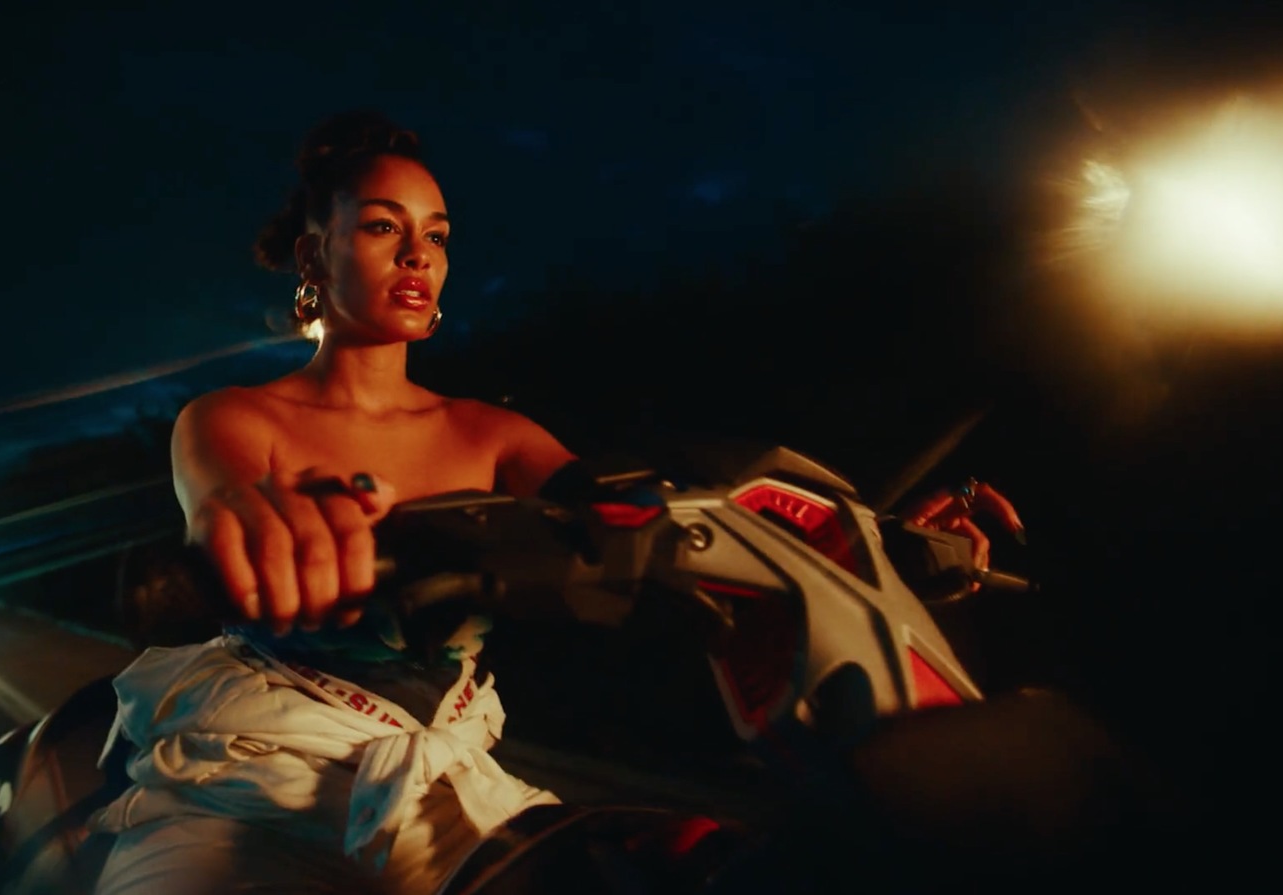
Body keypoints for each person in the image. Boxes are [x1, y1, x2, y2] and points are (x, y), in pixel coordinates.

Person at [91, 111, 1023, 895]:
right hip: (252, 758)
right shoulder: (232, 417)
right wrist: (267, 529)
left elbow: (663, 517)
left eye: (439, 233)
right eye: (381, 226)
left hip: (440, 775)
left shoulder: (495, 436)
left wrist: (878, 546)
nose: (419, 252)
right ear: (314, 252)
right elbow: (229, 504)